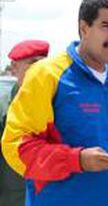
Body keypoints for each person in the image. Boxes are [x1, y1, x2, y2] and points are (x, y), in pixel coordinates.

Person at [1, 0, 108, 206]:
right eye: (106, 26)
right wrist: (76, 160)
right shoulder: (47, 75)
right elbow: (16, 146)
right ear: (84, 28)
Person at [0, 40, 49, 206]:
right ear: (14, 68)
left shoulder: (56, 101)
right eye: (33, 63)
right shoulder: (4, 108)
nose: (40, 70)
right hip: (13, 197)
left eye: (44, 63)